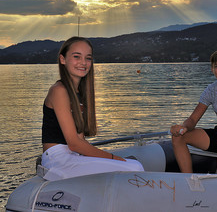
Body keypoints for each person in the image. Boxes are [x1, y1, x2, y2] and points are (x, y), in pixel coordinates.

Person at [41, 36, 144, 181]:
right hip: (57, 160)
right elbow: (74, 143)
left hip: (72, 157)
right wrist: (114, 158)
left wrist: (113, 160)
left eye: (88, 58)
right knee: (135, 167)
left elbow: (80, 139)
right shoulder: (59, 90)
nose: (83, 62)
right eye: (77, 56)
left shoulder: (79, 94)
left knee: (134, 164)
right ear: (62, 59)